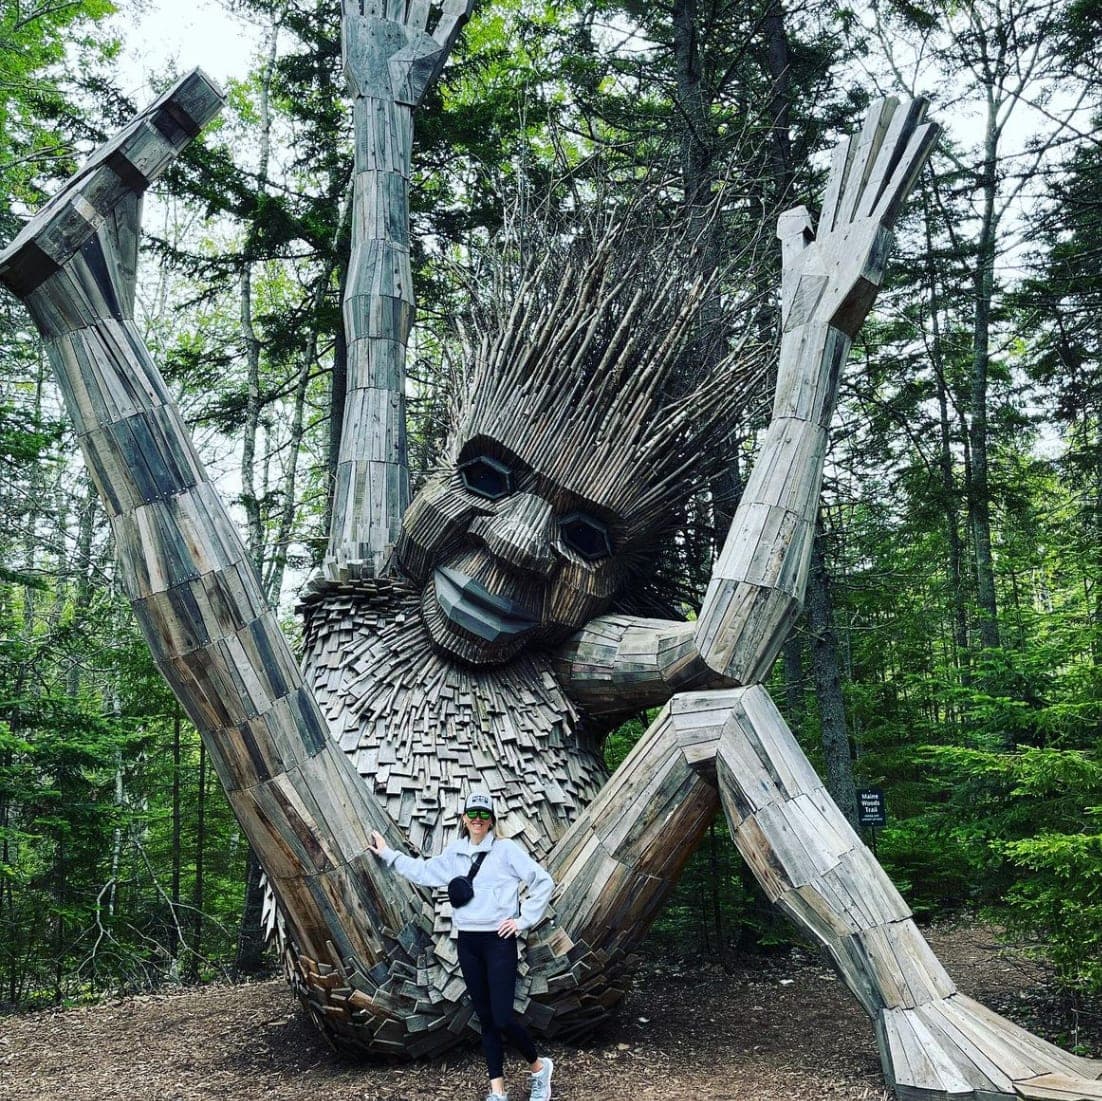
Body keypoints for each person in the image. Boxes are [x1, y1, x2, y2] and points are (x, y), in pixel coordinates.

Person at [368, 792, 556, 1101]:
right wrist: (388, 854)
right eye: (473, 814)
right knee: (485, 1018)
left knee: (502, 1018)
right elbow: (423, 872)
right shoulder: (454, 853)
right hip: (467, 942)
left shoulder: (506, 850)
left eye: (484, 814)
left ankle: (539, 1069)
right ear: (464, 819)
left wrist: (523, 920)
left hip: (499, 941)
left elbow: (543, 881)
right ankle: (497, 1091)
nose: (478, 820)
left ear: (491, 820)